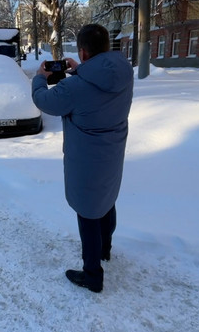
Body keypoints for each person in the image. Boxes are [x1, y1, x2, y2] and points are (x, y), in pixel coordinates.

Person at [31, 24, 134, 293]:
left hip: (86, 160)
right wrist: (82, 69)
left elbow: (45, 101)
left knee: (88, 212)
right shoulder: (124, 73)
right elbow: (100, 82)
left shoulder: (75, 87)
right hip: (112, 155)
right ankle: (105, 249)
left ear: (83, 52)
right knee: (107, 201)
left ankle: (92, 275)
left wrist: (39, 77)